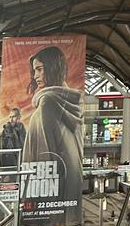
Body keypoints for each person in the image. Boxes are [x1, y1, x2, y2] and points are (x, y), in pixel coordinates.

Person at [22, 46, 84, 208]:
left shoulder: (47, 102)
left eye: (40, 69)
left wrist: (41, 201)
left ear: (52, 68)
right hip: (71, 181)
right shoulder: (71, 101)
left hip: (49, 190)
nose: (35, 76)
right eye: (34, 70)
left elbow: (45, 154)